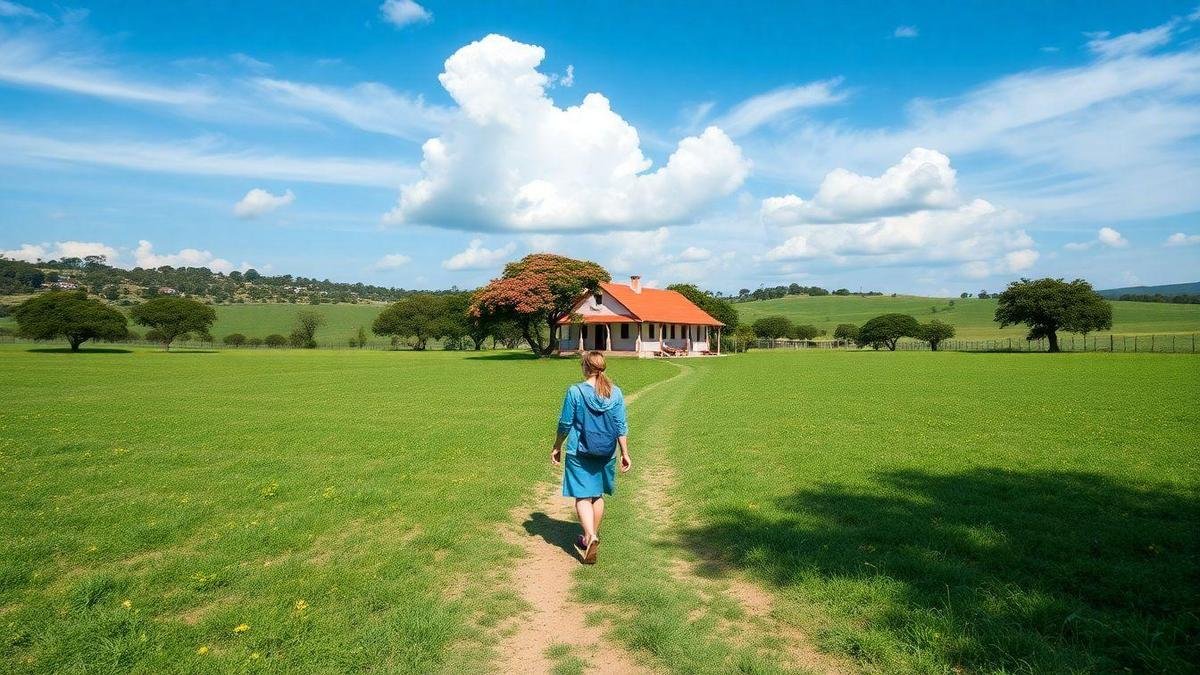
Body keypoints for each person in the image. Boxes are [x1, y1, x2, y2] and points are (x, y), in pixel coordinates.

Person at [552, 350, 631, 564]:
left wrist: (557, 446)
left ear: (585, 367)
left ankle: (590, 535)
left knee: (582, 496)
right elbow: (620, 425)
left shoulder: (575, 391)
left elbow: (565, 423)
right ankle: (589, 538)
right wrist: (624, 452)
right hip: (606, 451)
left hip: (579, 450)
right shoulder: (615, 393)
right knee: (597, 495)